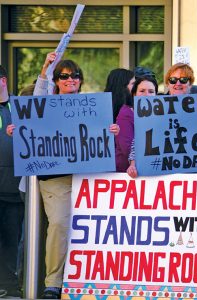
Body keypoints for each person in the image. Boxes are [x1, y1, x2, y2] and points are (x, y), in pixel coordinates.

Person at [34, 52, 120, 299]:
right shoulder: (46, 103)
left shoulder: (92, 107)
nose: (70, 79)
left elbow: (102, 135)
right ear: (56, 80)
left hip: (88, 178)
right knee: (60, 224)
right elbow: (34, 104)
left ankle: (89, 280)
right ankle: (53, 283)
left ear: (81, 80)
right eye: (63, 76)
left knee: (93, 229)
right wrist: (45, 70)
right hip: (56, 178)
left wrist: (112, 129)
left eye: (75, 76)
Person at [0, 65, 24, 298]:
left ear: (3, 80)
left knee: (11, 240)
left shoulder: (20, 107)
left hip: (13, 187)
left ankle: (10, 286)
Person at [116, 75, 158, 173]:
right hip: (125, 175)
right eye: (142, 91)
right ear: (134, 94)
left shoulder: (159, 115)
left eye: (151, 92)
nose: (146, 95)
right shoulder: (126, 114)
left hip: (152, 171)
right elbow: (127, 148)